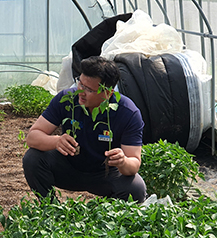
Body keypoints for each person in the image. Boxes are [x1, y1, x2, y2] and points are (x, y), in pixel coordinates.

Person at [22, 56, 146, 202]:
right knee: (32, 159)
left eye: (89, 89)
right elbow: (32, 137)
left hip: (104, 174)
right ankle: (50, 209)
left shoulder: (127, 113)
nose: (81, 91)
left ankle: (106, 216)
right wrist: (56, 141)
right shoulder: (67, 100)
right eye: (80, 83)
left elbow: (134, 164)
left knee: (136, 188)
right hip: (68, 167)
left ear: (108, 93)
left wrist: (123, 161)